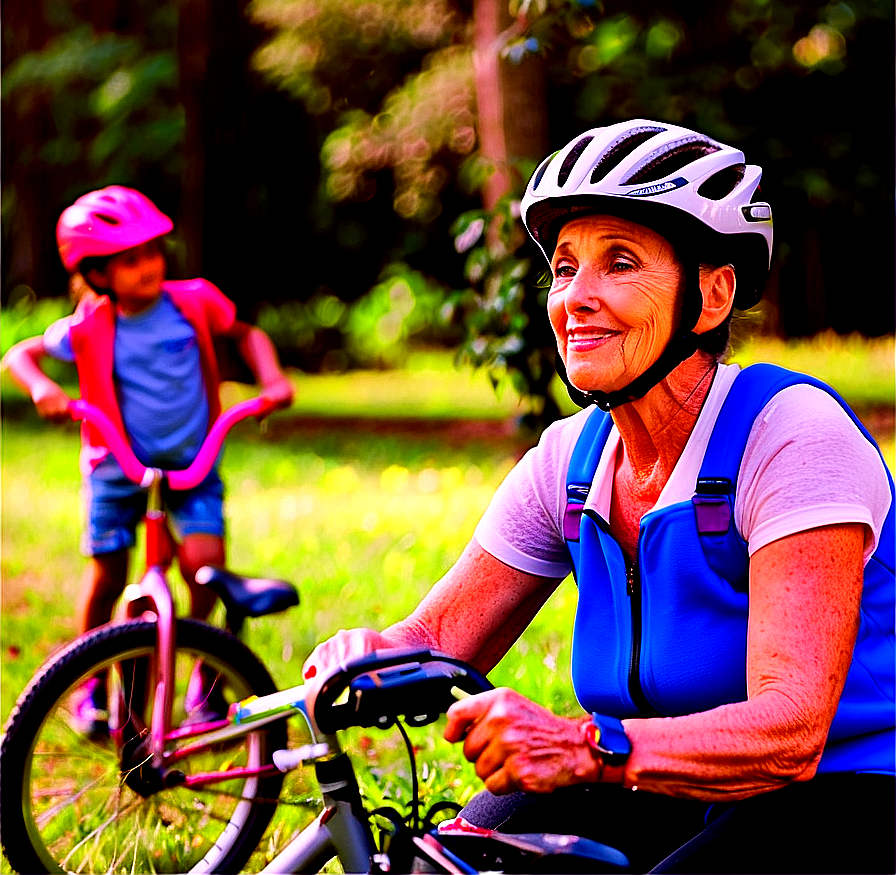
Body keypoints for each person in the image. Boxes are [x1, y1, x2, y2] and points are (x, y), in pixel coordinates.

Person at [301, 120, 895, 873]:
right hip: (655, 777)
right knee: (443, 864)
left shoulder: (789, 434)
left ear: (711, 295)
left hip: (850, 792)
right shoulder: (571, 459)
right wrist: (363, 657)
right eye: (564, 267)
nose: (576, 297)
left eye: (619, 263)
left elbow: (791, 732)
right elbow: (439, 637)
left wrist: (586, 746)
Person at [3, 185, 294, 733]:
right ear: (97, 273)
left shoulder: (194, 301)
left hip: (193, 464)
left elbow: (247, 334)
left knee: (204, 568)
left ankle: (205, 681)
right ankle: (88, 684)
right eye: (129, 260)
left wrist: (272, 377)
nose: (148, 266)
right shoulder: (90, 324)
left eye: (153, 252)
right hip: (117, 468)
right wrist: (43, 387)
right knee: (108, 578)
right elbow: (20, 355)